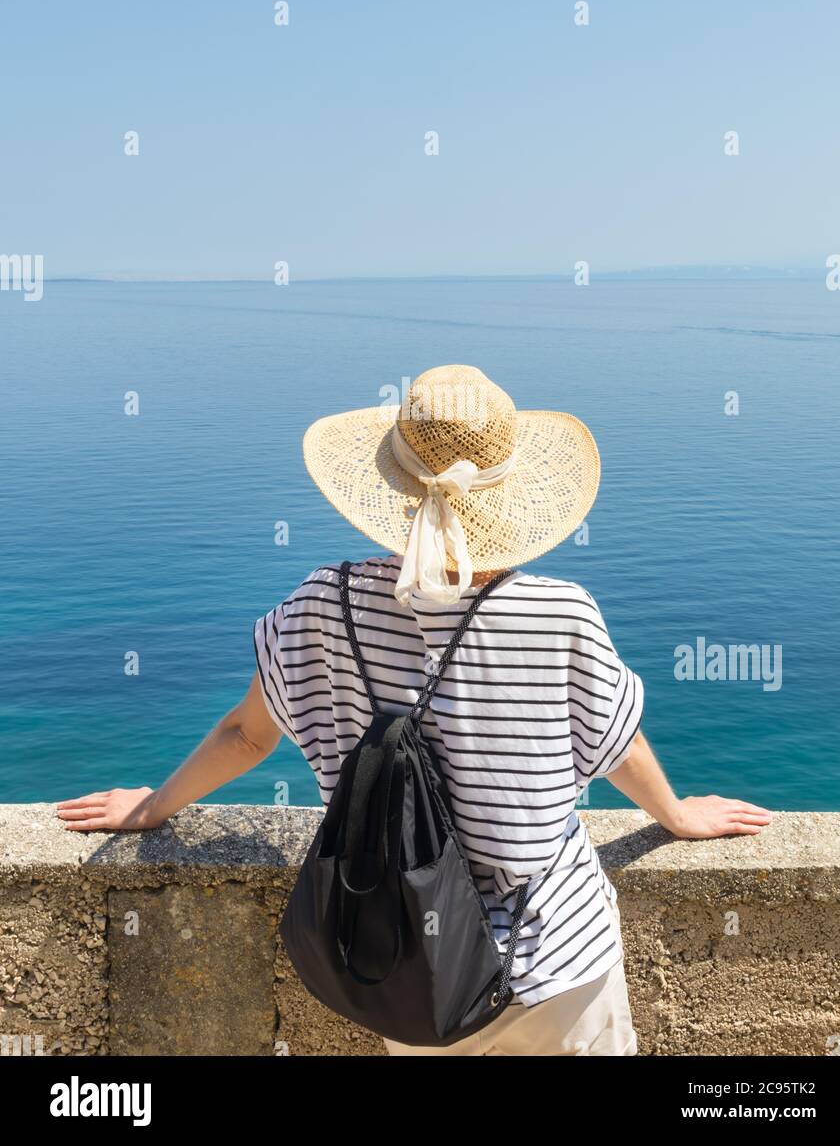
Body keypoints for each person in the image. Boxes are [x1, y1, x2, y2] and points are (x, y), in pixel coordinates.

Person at [55, 364, 772, 1056]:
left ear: (389, 490)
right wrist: (675, 815)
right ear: (513, 496)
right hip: (561, 963)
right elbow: (618, 746)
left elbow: (246, 736)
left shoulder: (318, 606)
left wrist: (153, 808)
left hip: (411, 961)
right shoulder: (562, 614)